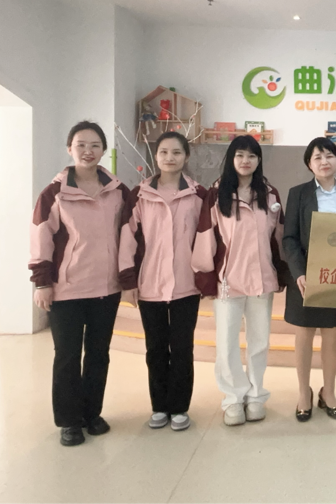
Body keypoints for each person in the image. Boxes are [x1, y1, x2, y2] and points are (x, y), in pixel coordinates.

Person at [29, 121, 130, 447]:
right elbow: (41, 238)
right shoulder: (54, 193)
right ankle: (69, 421)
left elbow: (130, 235)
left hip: (107, 288)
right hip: (67, 289)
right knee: (67, 356)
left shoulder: (118, 191)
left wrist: (128, 278)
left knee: (99, 354)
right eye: (81, 145)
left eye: (95, 145)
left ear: (104, 150)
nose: (88, 151)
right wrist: (42, 282)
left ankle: (91, 414)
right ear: (69, 149)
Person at [192, 135, 287, 426]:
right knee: (227, 344)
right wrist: (205, 277)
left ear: (259, 160)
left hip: (261, 280)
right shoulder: (216, 194)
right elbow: (205, 236)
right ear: (231, 159)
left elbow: (279, 237)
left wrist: (282, 271)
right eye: (240, 155)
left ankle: (256, 395)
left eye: (252, 156)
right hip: (228, 282)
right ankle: (233, 398)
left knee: (259, 342)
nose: (246, 161)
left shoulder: (270, 195)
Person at [119, 131, 206, 432]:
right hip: (150, 285)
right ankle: (159, 406)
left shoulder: (198, 194)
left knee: (182, 348)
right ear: (155, 157)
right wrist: (128, 280)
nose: (170, 158)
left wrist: (205, 277)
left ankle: (179, 407)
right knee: (155, 349)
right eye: (164, 152)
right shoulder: (140, 194)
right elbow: (127, 238)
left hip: (186, 285)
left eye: (177, 152)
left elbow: (206, 238)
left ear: (186, 156)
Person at [282, 138, 336, 422]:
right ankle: (304, 392)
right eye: (317, 157)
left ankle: (329, 392)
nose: (324, 161)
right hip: (305, 274)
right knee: (304, 334)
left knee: (332, 334)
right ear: (309, 164)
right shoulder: (298, 193)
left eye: (329, 156)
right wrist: (299, 272)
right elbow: (289, 238)